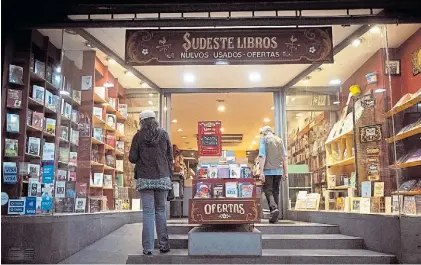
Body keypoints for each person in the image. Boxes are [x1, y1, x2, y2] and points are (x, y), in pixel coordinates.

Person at [129, 110, 173, 256]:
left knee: (148, 213)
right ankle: (164, 245)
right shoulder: (164, 134)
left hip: (145, 178)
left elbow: (132, 158)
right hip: (162, 177)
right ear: (155, 120)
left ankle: (148, 248)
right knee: (161, 211)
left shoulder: (138, 136)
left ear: (142, 122)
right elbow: (170, 157)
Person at [258, 126, 288, 223]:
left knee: (268, 189)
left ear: (264, 133)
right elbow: (284, 157)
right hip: (278, 171)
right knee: (276, 191)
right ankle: (275, 216)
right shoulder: (280, 140)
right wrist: (286, 172)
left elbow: (262, 156)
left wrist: (261, 171)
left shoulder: (264, 140)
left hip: (268, 170)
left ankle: (273, 208)